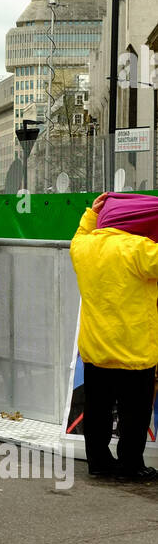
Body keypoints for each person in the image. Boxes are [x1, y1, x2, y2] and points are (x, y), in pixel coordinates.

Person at [69, 191, 158, 481]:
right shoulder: (138, 249)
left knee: (97, 410)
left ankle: (98, 463)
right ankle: (131, 465)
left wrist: (90, 214)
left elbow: (79, 236)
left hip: (96, 348)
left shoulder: (84, 248)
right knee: (134, 413)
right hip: (134, 350)